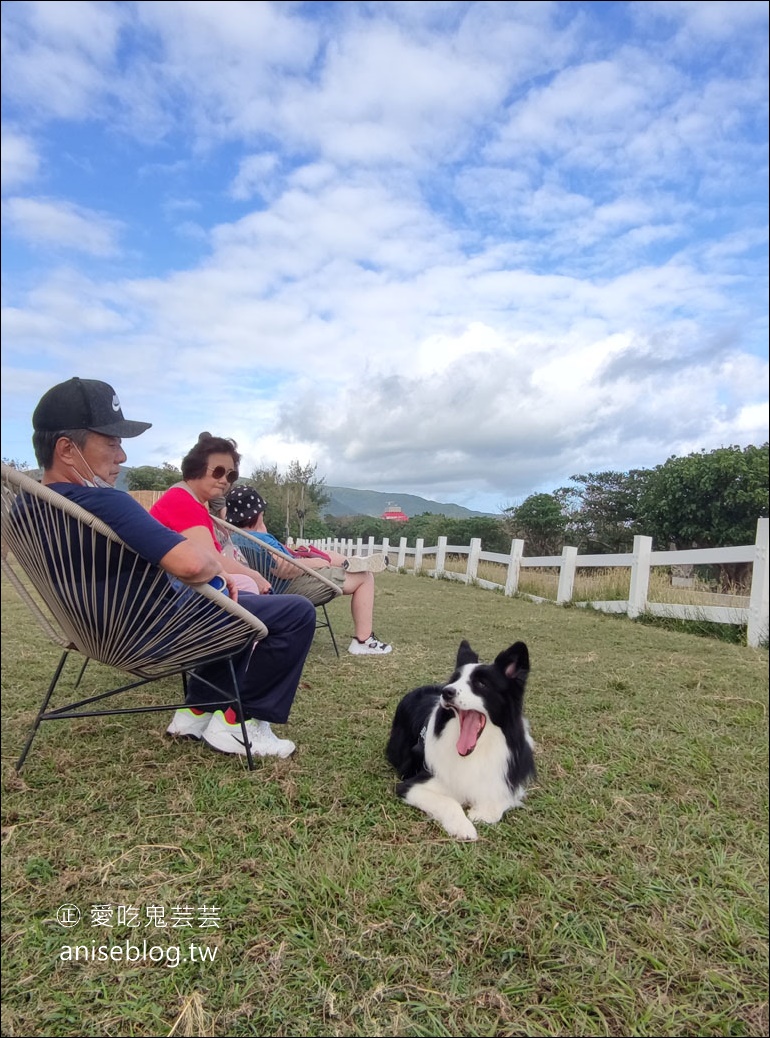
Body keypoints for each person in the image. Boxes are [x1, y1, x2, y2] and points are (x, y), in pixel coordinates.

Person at [30, 379, 317, 760]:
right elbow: (192, 562)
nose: (122, 457)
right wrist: (220, 569)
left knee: (216, 604)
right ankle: (240, 723)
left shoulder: (25, 509)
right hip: (151, 636)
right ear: (67, 449)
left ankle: (196, 712)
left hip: (92, 631)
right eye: (112, 442)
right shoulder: (105, 503)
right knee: (295, 613)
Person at [225, 485, 393, 656]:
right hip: (288, 587)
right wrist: (319, 562)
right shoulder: (261, 539)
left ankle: (347, 562)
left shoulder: (233, 538)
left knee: (328, 556)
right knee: (364, 577)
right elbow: (285, 569)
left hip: (270, 587)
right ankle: (363, 640)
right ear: (258, 513)